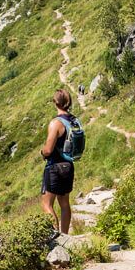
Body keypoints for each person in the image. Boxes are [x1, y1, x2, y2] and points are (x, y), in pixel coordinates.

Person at [40, 88, 76, 236]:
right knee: (64, 203)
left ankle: (56, 237)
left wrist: (42, 152)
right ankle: (65, 235)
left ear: (55, 102)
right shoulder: (74, 121)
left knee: (47, 204)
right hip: (69, 166)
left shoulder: (56, 123)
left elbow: (48, 150)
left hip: (54, 167)